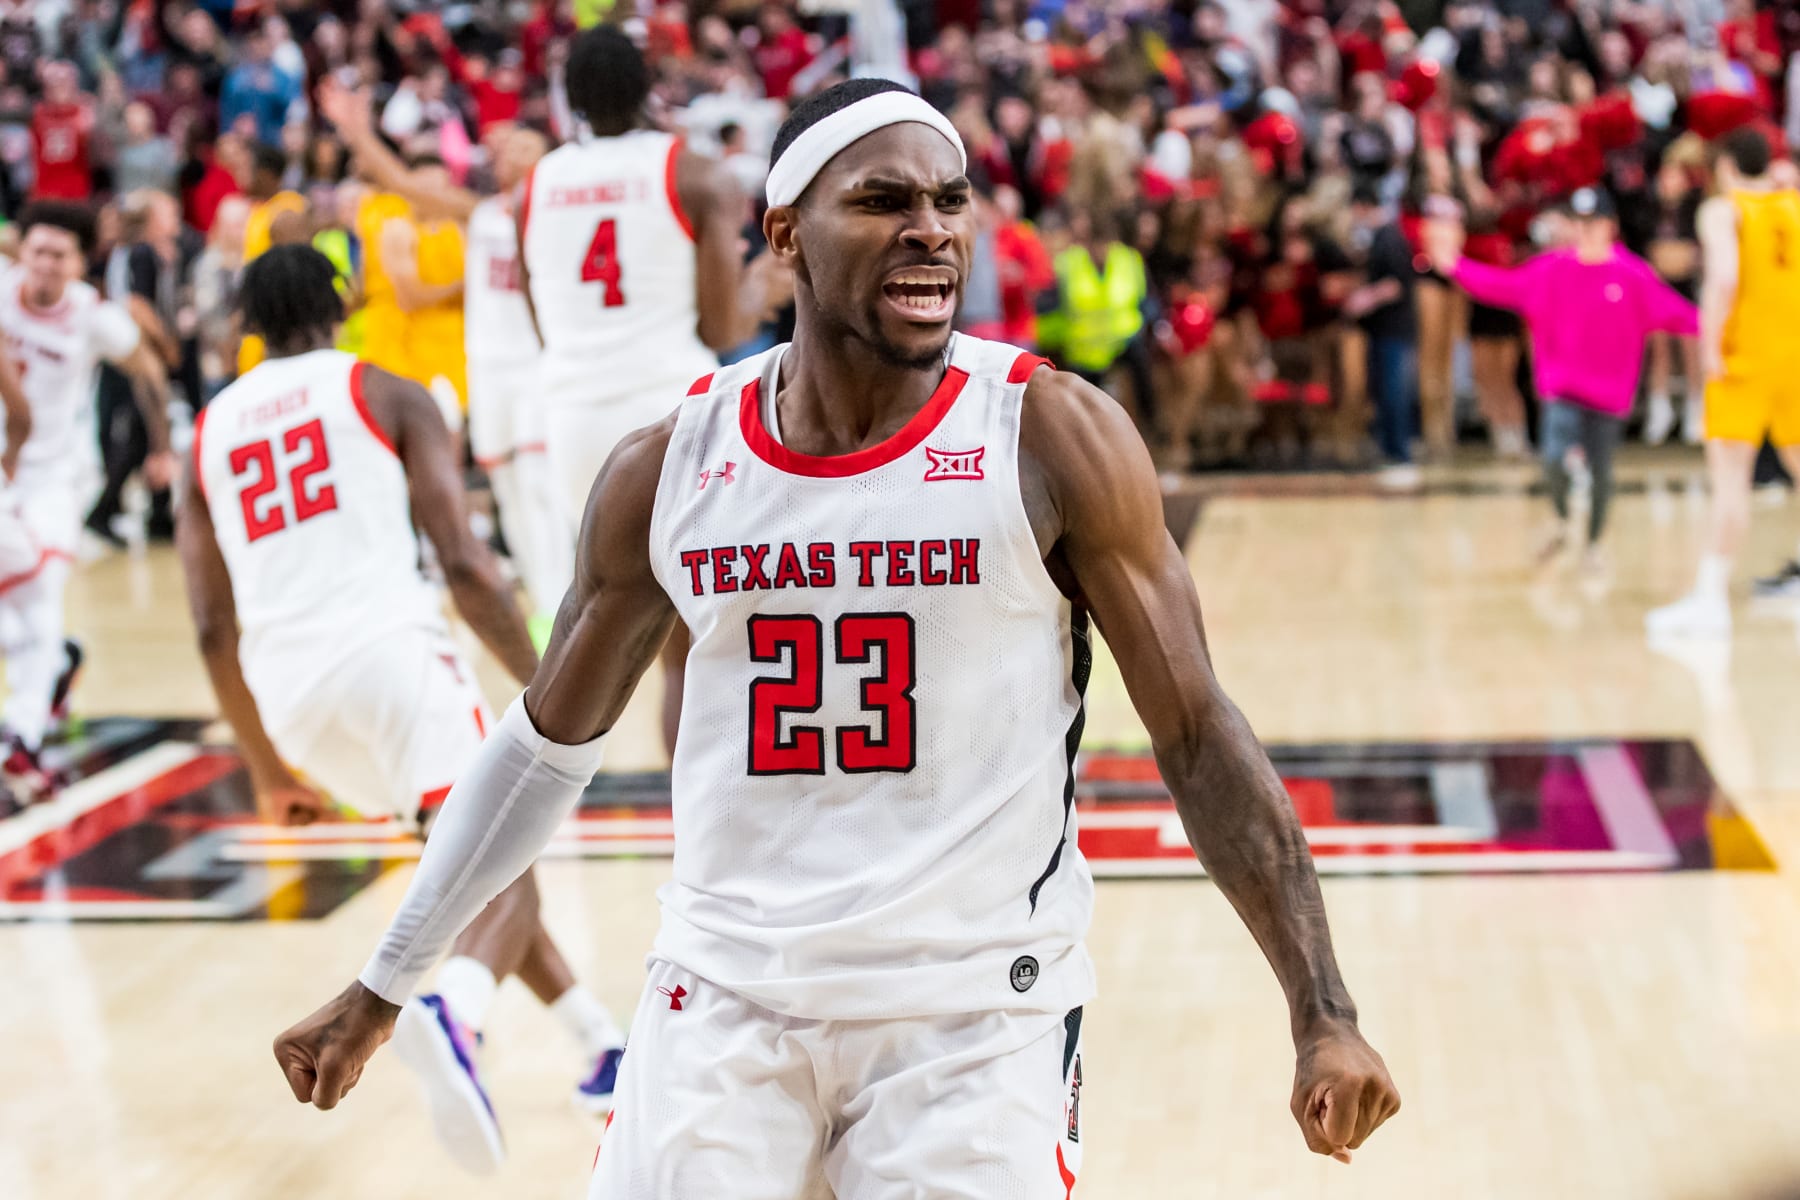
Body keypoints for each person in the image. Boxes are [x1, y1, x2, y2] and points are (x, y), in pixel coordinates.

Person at [273, 79, 1400, 1195]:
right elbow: (539, 751)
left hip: (972, 1014)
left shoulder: (1049, 431)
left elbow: (1198, 734)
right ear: (785, 237)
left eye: (951, 202)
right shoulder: (668, 465)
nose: (930, 229)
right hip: (719, 1001)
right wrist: (383, 986)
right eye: (882, 201)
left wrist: (1323, 1012)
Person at [179, 245, 627, 1174]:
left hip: (293, 702)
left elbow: (211, 626)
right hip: (392, 660)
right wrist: (549, 675)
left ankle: (598, 1046)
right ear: (342, 306)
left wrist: (266, 765)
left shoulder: (207, 432)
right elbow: (466, 564)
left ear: (248, 327)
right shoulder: (386, 392)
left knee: (463, 874)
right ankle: (448, 1011)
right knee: (503, 865)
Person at [518, 24, 781, 752]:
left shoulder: (534, 186)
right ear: (649, 88)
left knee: (614, 623)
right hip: (671, 409)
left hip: (572, 415)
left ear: (568, 97)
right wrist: (760, 288)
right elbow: (725, 322)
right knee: (695, 647)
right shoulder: (692, 172)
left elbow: (545, 321)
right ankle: (711, 831)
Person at [319, 82, 566, 644]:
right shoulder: (480, 212)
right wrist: (357, 131)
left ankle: (566, 597)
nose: (512, 154)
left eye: (527, 148)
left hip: (536, 366)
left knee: (540, 485)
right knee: (507, 489)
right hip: (489, 368)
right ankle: (546, 600)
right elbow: (402, 182)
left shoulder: (556, 212)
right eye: (509, 149)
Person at [1431, 188, 1698, 569]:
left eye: (1594, 224)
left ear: (1610, 227)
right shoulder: (1551, 270)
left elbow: (1680, 315)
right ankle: (1560, 518)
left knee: (1601, 470)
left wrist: (1728, 328)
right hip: (1563, 388)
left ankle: (1592, 544)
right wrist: (1455, 267)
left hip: (1609, 396)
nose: (1587, 232)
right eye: (1581, 224)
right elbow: (1501, 287)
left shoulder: (1632, 275)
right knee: (1554, 458)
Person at [0, 203, 172, 791]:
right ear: (22, 252)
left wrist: (162, 448)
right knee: (19, 609)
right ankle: (58, 662)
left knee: (42, 588)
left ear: (79, 263)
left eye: (58, 255)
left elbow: (148, 371)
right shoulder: (3, 291)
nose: (45, 265)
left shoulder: (93, 318)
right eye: (37, 252)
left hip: (57, 476)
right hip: (3, 470)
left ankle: (20, 734)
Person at [1648, 128, 1800, 631]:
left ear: (1727, 165)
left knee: (1730, 482)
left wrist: (1712, 346)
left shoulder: (1722, 209)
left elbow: (1726, 277)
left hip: (1744, 358)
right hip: (1793, 357)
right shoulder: (1793, 205)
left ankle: (1710, 599)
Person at [236, 141, 309, 375]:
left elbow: (295, 274)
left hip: (278, 324)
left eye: (246, 168)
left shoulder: (287, 208)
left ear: (265, 174)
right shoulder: (258, 210)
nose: (239, 174)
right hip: (259, 316)